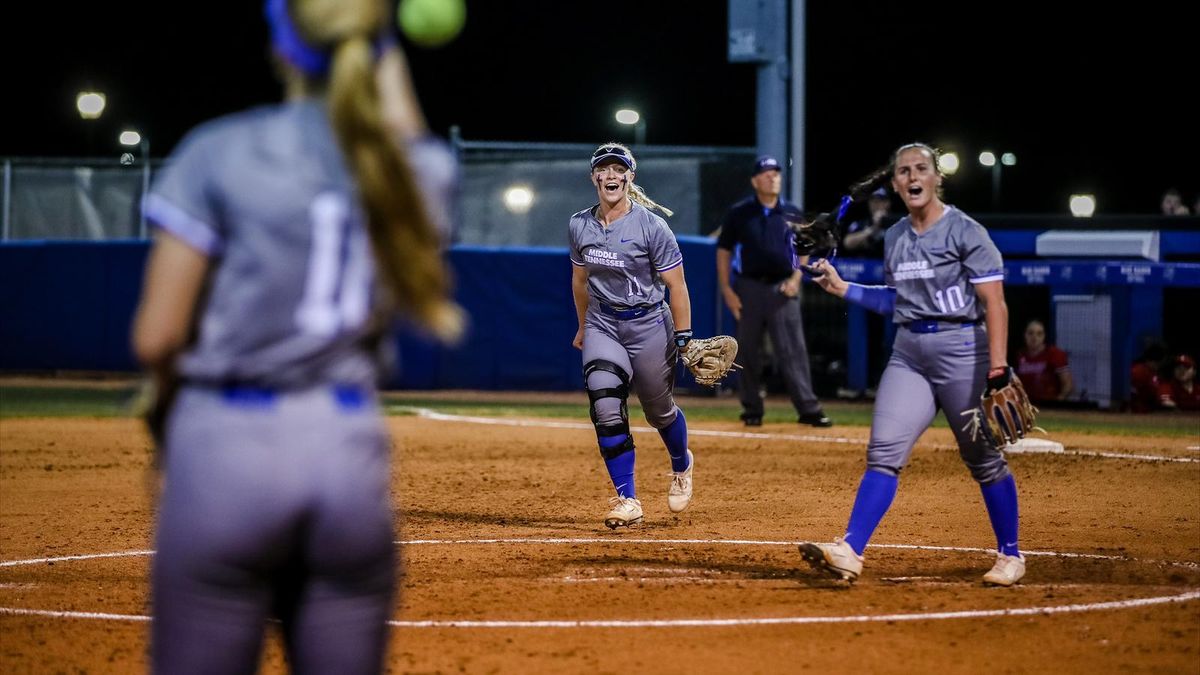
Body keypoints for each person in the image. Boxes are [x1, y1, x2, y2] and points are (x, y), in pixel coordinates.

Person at [130, 1, 461, 671]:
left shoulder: (219, 149)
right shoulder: (409, 172)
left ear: (282, 45)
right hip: (345, 453)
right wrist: (382, 40)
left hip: (229, 447)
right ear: (374, 46)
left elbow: (158, 336)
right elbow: (412, 143)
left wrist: (169, 412)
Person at [797, 142, 1027, 586]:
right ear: (896, 183)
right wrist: (845, 289)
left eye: (921, 168)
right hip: (909, 354)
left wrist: (997, 367)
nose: (912, 176)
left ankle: (1011, 554)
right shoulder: (897, 236)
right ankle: (850, 550)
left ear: (937, 177)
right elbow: (899, 302)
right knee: (883, 453)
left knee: (981, 456)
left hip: (963, 351)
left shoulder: (966, 231)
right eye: (903, 171)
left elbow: (994, 303)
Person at [569, 142, 695, 529]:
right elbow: (579, 281)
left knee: (659, 411)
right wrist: (582, 324)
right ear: (594, 177)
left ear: (629, 177)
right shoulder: (579, 224)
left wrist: (684, 336)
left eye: (618, 169)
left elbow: (677, 285)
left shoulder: (651, 226)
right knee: (605, 403)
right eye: (603, 169)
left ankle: (681, 464)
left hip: (649, 325)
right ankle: (627, 499)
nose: (611, 175)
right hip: (603, 323)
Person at [715, 156, 832, 428]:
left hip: (782, 287)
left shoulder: (792, 212)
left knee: (793, 350)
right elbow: (724, 251)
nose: (773, 178)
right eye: (766, 174)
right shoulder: (740, 212)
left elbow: (805, 249)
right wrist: (727, 290)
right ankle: (752, 409)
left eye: (776, 173)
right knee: (748, 351)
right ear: (755, 181)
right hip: (749, 287)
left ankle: (809, 409)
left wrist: (796, 279)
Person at [1015, 319, 1074, 403]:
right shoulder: (1020, 355)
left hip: (1048, 406)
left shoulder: (1055, 354)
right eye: (1030, 333)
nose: (1034, 337)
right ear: (1024, 335)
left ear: (1044, 336)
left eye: (1039, 334)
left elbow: (1068, 385)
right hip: (1026, 406)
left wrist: (1058, 402)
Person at [841, 187, 894, 257]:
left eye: (880, 201)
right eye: (873, 201)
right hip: (867, 264)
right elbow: (847, 243)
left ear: (888, 203)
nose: (876, 204)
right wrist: (873, 229)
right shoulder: (861, 223)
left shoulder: (896, 222)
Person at [1130, 342, 1167, 413]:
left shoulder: (1154, 372)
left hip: (1150, 410)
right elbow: (1132, 394)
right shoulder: (1138, 371)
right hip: (1138, 410)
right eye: (1159, 363)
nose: (1160, 366)